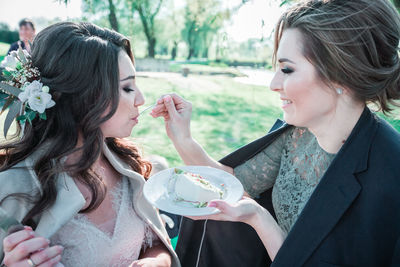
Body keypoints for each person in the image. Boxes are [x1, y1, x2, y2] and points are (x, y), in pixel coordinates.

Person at [151, 0, 400, 266]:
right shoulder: (297, 135)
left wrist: (259, 219)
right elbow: (232, 184)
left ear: (341, 74)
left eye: (287, 69)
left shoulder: (391, 176)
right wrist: (182, 138)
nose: (273, 84)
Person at [0, 22, 180, 267]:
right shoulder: (10, 189)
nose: (141, 98)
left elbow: (156, 243)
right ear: (82, 96)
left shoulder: (128, 163)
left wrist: (156, 262)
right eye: (127, 87)